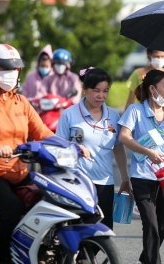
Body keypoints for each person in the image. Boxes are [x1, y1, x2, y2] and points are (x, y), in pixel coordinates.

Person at [0, 44, 54, 264]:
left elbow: (42, 131)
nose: (11, 74)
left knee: (50, 198)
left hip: (19, 172)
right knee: (11, 209)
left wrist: (70, 146)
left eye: (15, 69)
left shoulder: (21, 102)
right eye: (5, 69)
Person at [118, 70, 164, 264]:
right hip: (142, 175)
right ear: (152, 88)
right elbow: (123, 136)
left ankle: (146, 257)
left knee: (162, 224)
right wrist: (147, 151)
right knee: (150, 224)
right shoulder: (135, 111)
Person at [55, 67, 131, 229]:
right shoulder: (69, 115)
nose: (101, 96)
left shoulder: (113, 116)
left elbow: (118, 148)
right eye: (96, 91)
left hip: (105, 182)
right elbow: (59, 147)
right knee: (78, 227)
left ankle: (94, 255)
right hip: (77, 181)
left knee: (104, 229)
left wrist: (125, 178)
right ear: (85, 90)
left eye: (105, 91)